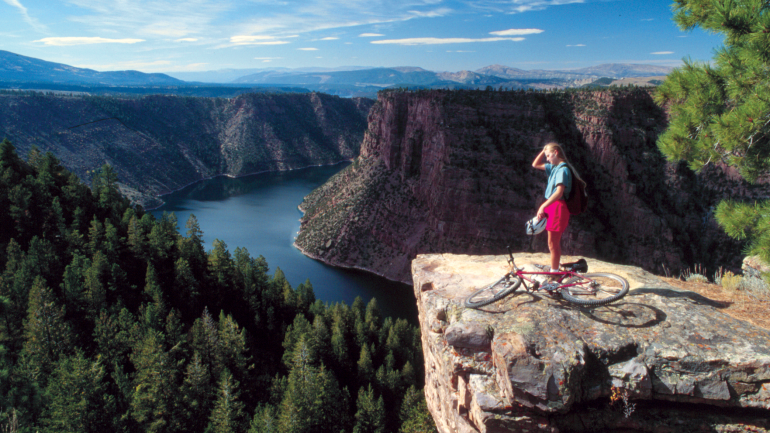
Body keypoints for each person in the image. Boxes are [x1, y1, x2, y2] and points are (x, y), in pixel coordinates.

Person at [531, 142, 573, 276]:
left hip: (558, 207)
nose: (547, 159)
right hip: (552, 205)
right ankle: (554, 269)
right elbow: (535, 164)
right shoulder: (555, 167)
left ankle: (554, 273)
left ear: (556, 153)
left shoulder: (562, 170)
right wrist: (544, 151)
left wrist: (543, 206)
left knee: (553, 243)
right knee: (551, 242)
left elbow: (559, 192)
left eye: (549, 156)